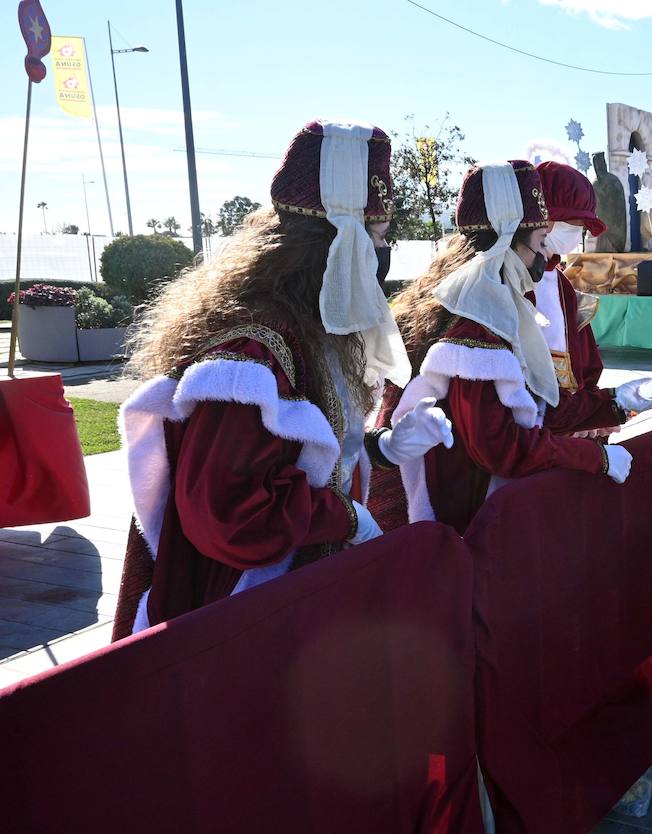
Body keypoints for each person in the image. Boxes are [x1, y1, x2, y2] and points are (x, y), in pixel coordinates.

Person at [114, 120, 449, 638]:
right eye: (379, 237)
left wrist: (381, 448)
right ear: (335, 243)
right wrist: (343, 516)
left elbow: (302, 453)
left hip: (300, 595)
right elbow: (232, 515)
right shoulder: (254, 350)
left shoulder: (311, 324)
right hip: (243, 610)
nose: (384, 256)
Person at [373, 161, 652, 533]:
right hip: (459, 516)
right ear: (509, 240)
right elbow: (499, 445)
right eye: (541, 242)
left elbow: (538, 407)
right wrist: (593, 458)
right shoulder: (476, 328)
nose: (544, 258)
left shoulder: (500, 309)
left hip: (474, 507)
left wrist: (619, 402)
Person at [529, 160, 624, 436]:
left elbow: (585, 362)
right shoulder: (508, 282)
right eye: (574, 223)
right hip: (531, 433)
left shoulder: (561, 284)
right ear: (545, 219)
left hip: (565, 427)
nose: (578, 232)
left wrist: (592, 412)